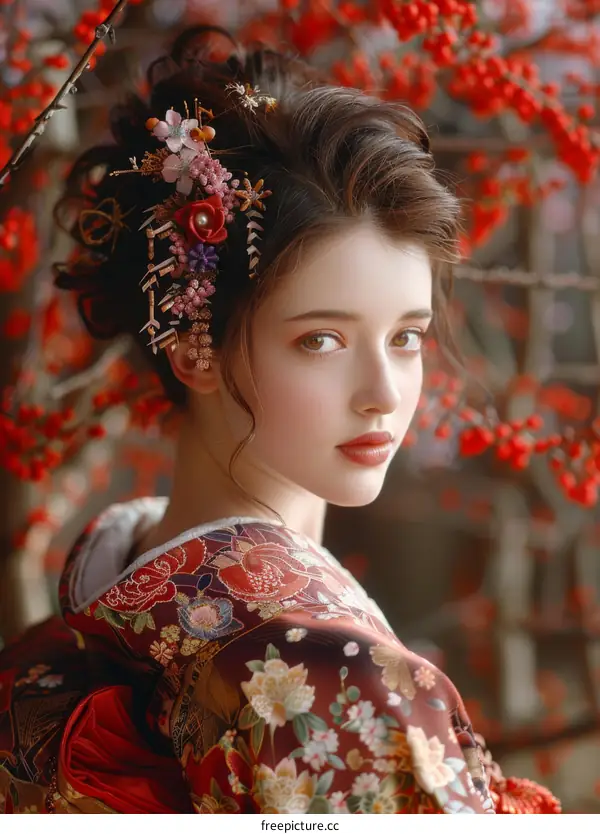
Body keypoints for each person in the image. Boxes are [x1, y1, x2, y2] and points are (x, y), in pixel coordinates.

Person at [0, 25, 561, 815]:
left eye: (406, 337)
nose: (384, 392)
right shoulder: (329, 680)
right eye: (321, 340)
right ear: (194, 349)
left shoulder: (79, 621)